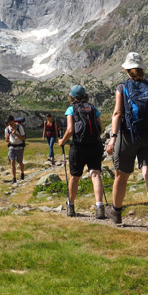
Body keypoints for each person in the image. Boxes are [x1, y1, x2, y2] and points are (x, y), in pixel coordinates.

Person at [106, 52, 148, 233]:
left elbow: (117, 114)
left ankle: (116, 212)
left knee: (121, 175)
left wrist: (112, 138)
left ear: (126, 69)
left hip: (127, 136)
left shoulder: (122, 87)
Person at [58, 85, 106, 219]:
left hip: (78, 146)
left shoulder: (71, 109)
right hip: (95, 145)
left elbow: (70, 130)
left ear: (72, 97)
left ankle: (71, 206)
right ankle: (99, 207)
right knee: (95, 174)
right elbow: (100, 129)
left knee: (74, 177)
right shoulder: (93, 108)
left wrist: (62, 141)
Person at [5, 115, 26, 183]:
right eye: (9, 122)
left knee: (20, 162)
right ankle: (14, 178)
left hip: (19, 146)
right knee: (12, 161)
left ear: (13, 121)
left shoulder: (19, 127)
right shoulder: (7, 129)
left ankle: (22, 173)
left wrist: (16, 134)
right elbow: (6, 140)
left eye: (11, 121)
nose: (10, 123)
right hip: (12, 147)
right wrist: (7, 138)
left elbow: (23, 138)